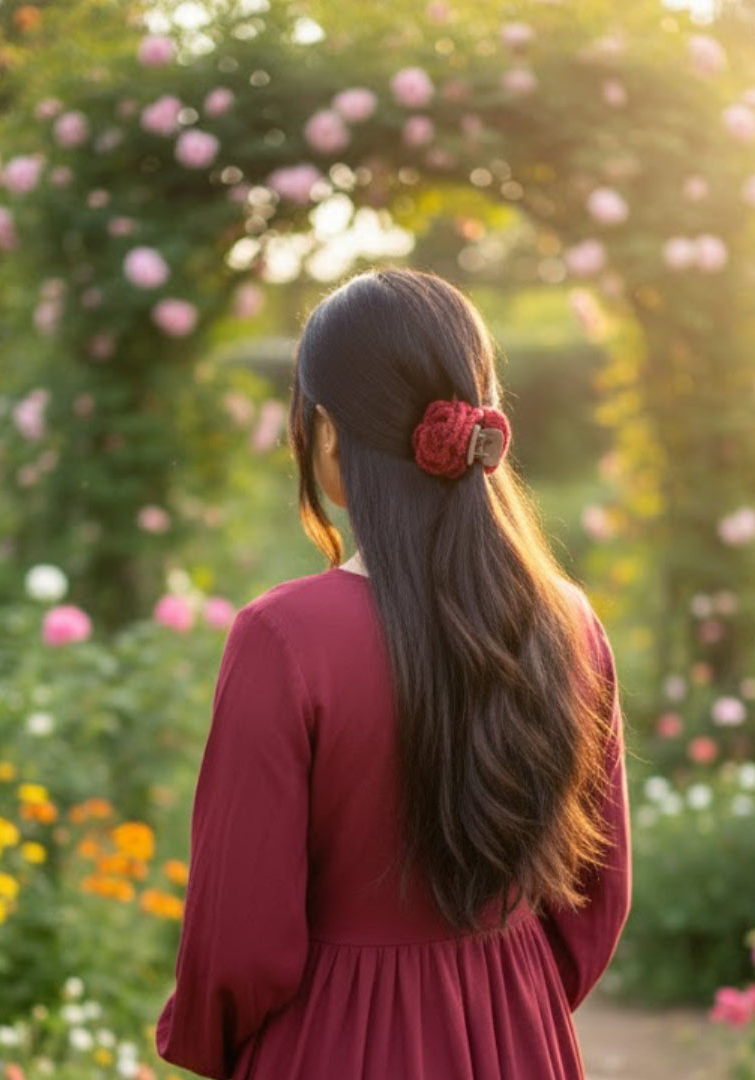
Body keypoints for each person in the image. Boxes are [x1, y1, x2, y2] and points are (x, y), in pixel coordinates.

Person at [155, 267, 632, 1080]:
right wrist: (507, 1000)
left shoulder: (284, 639)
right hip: (518, 1038)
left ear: (325, 431)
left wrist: (208, 1040)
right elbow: (597, 899)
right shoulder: (568, 623)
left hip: (328, 1045)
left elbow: (240, 937)